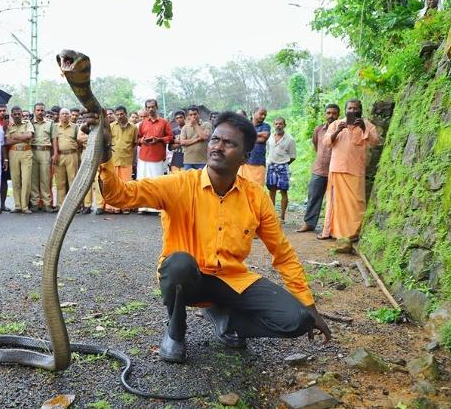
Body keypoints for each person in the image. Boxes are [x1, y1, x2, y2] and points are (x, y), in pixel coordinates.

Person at [86, 110, 331, 363]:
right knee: (178, 263)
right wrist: (104, 151)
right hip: (189, 279)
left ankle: (227, 320)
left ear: (245, 156)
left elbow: (283, 254)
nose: (218, 147)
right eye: (215, 139)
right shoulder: (179, 184)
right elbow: (119, 196)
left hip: (231, 279)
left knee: (298, 320)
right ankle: (176, 331)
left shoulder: (256, 197)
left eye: (229, 143)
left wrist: (308, 305)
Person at [319, 100, 380, 241]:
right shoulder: (335, 124)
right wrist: (338, 130)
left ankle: (354, 233)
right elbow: (326, 143)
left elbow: (375, 141)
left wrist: (364, 128)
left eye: (355, 108)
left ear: (360, 110)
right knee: (336, 204)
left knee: (357, 204)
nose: (352, 111)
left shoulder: (368, 125)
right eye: (349, 108)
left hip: (356, 169)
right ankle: (335, 232)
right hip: (337, 168)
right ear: (345, 110)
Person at [298, 104, 340, 233]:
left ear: (338, 115)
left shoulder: (343, 129)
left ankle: (334, 228)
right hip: (319, 169)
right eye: (328, 113)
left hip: (336, 170)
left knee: (335, 200)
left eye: (334, 113)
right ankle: (309, 224)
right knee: (314, 197)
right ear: (325, 114)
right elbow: (316, 145)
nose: (331, 116)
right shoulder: (319, 130)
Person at [136, 99, 174, 213]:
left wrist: (159, 140)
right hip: (143, 157)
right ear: (146, 109)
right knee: (143, 182)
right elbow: (137, 139)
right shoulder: (142, 123)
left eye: (152, 107)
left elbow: (170, 137)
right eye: (148, 107)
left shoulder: (164, 122)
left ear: (156, 107)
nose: (150, 109)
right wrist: (142, 140)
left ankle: (156, 208)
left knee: (156, 182)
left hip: (157, 157)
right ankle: (143, 207)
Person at [105, 105, 138, 214]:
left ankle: (125, 206)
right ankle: (114, 206)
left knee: (126, 185)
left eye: (121, 114)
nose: (119, 116)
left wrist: (133, 161)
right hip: (114, 159)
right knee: (114, 184)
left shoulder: (133, 127)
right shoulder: (111, 126)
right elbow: (108, 142)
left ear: (126, 114)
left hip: (127, 159)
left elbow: (134, 144)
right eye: (117, 114)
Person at [266, 117, 297, 222]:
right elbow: (268, 151)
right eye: (276, 124)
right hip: (271, 166)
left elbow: (293, 156)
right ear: (274, 125)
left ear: (284, 125)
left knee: (283, 191)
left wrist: (283, 164)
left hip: (283, 167)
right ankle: (272, 215)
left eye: (280, 124)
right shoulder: (269, 137)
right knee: (272, 191)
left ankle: (282, 216)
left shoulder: (290, 139)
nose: (278, 126)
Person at [30, 103, 59, 212]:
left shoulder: (50, 124)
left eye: (42, 110)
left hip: (45, 152)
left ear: (45, 111)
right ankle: (35, 203)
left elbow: (54, 139)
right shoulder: (29, 123)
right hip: (33, 151)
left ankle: (47, 203)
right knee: (34, 179)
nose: (40, 112)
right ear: (34, 111)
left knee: (45, 178)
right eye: (38, 110)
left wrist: (55, 153)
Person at [6, 106, 34, 214]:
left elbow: (29, 136)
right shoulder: (9, 126)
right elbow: (7, 141)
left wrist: (15, 137)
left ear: (22, 114)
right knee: (15, 180)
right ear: (12, 115)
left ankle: (25, 206)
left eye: (19, 114)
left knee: (26, 180)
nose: (17, 116)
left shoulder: (27, 123)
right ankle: (17, 205)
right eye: (15, 114)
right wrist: (22, 137)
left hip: (26, 153)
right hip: (13, 153)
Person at [54, 108, 84, 208]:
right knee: (60, 182)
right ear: (59, 115)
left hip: (72, 155)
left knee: (73, 181)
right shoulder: (54, 127)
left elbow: (79, 141)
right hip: (59, 156)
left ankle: (74, 205)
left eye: (67, 114)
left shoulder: (75, 127)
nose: (65, 115)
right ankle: (61, 205)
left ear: (70, 116)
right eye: (63, 114)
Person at [238, 107, 269, 185]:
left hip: (258, 162)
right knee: (242, 187)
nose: (263, 116)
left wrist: (249, 136)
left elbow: (264, 137)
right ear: (254, 113)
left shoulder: (266, 126)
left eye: (265, 115)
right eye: (261, 114)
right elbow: (240, 137)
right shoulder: (246, 125)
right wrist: (258, 135)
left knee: (257, 189)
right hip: (244, 162)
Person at [179, 105, 212, 170]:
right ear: (188, 116)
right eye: (190, 115)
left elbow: (204, 137)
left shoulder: (206, 125)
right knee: (188, 180)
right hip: (188, 161)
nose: (193, 116)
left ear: (199, 114)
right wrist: (198, 139)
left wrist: (195, 124)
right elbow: (182, 142)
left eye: (195, 114)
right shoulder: (185, 127)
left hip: (203, 161)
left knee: (202, 179)